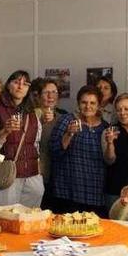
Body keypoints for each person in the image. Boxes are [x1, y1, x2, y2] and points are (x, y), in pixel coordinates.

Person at [0, 71, 43, 207]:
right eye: (16, 82)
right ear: (8, 86)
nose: (20, 86)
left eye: (25, 84)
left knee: (30, 221)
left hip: (32, 175)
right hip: (7, 174)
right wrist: (4, 132)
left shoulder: (32, 113)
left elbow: (36, 144)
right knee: (4, 218)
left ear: (28, 89)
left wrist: (38, 174)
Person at [49, 85, 108, 214]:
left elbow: (109, 160)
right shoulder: (67, 120)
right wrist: (69, 134)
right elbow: (54, 151)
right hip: (67, 191)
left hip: (96, 193)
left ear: (98, 105)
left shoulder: (105, 127)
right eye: (84, 102)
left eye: (92, 103)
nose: (88, 106)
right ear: (78, 103)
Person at [34, 78, 66, 208]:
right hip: (38, 173)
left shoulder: (63, 116)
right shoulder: (31, 115)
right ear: (38, 95)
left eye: (54, 92)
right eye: (46, 92)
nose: (50, 96)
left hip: (59, 176)